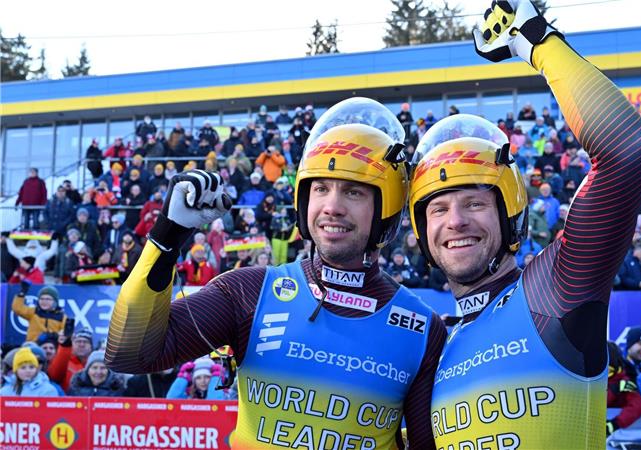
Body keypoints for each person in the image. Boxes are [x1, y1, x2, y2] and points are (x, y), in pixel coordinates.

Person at [105, 98, 446, 449]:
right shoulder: (249, 291)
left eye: (354, 192)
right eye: (320, 188)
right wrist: (166, 238)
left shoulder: (422, 328)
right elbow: (129, 354)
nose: (332, 207)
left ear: (386, 207)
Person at [408, 2, 641, 446]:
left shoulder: (554, 289)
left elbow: (627, 150)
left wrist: (535, 40)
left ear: (510, 215)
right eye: (438, 210)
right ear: (422, 232)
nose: (456, 221)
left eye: (474, 203)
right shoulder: (437, 346)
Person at [606, 342, 641, 437]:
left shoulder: (624, 382)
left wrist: (615, 423)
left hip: (617, 437)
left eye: (608, 370)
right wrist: (615, 389)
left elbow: (638, 406)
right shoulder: (586, 381)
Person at [49, 328, 94, 392]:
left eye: (85, 342)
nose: (81, 345)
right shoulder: (64, 361)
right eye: (78, 341)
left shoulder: (96, 364)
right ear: (72, 344)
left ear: (91, 347)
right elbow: (54, 376)